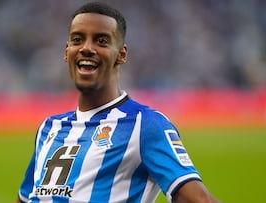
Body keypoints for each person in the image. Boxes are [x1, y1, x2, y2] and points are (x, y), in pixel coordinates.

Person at [17, 2, 221, 203]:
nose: (87, 48)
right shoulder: (49, 128)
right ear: (66, 50)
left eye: (101, 41)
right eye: (77, 39)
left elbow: (200, 200)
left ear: (121, 55)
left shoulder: (144, 125)